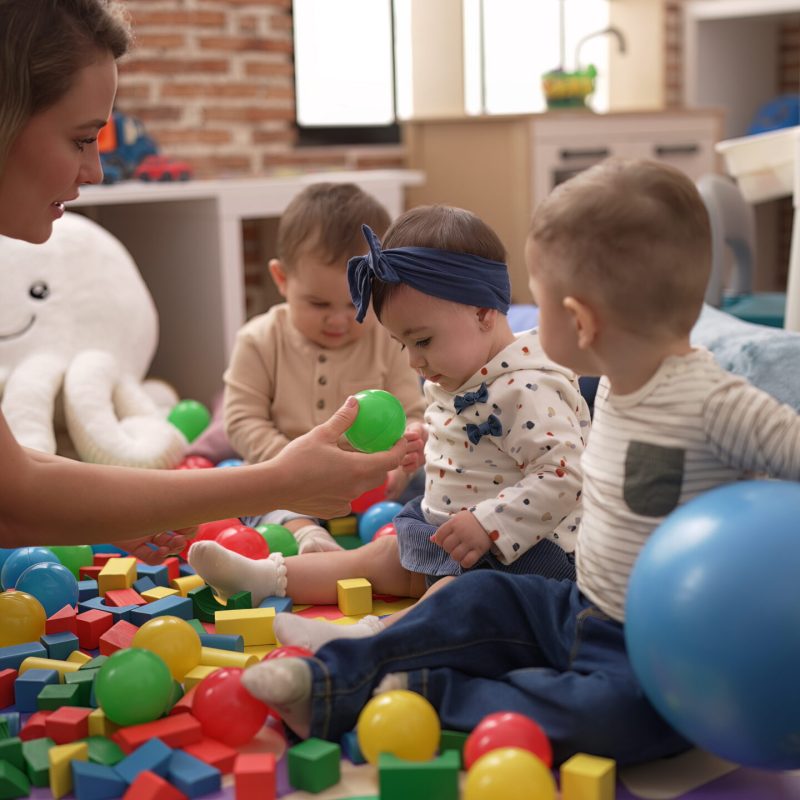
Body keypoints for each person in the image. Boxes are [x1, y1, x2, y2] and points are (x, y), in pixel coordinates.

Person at [237, 158, 800, 767]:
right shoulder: (614, 382)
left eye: (539, 299)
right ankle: (331, 677)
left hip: (658, 649)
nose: (520, 313)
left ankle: (416, 691)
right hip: (579, 604)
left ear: (580, 320)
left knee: (618, 721)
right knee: (470, 599)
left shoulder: (717, 403)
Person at [0, 0, 405, 564]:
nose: (93, 171)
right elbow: (15, 501)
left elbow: (16, 474)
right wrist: (279, 482)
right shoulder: (262, 340)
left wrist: (113, 509)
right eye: (80, 138)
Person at [188, 205, 588, 651]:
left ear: (482, 313)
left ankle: (366, 640)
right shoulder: (461, 368)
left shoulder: (529, 387)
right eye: (402, 344)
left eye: (422, 341)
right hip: (449, 535)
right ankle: (266, 577)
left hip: (523, 555)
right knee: (381, 554)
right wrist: (422, 441)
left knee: (458, 596)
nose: (413, 361)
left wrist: (489, 523)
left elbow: (564, 475)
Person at [223, 182, 426, 553]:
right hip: (288, 479)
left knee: (433, 483)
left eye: (355, 304)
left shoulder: (388, 339)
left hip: (372, 483)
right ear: (282, 280)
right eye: (318, 304)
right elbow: (242, 420)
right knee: (250, 494)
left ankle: (408, 540)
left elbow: (413, 412)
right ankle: (308, 536)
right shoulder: (259, 340)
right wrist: (290, 467)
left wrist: (403, 460)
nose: (338, 320)